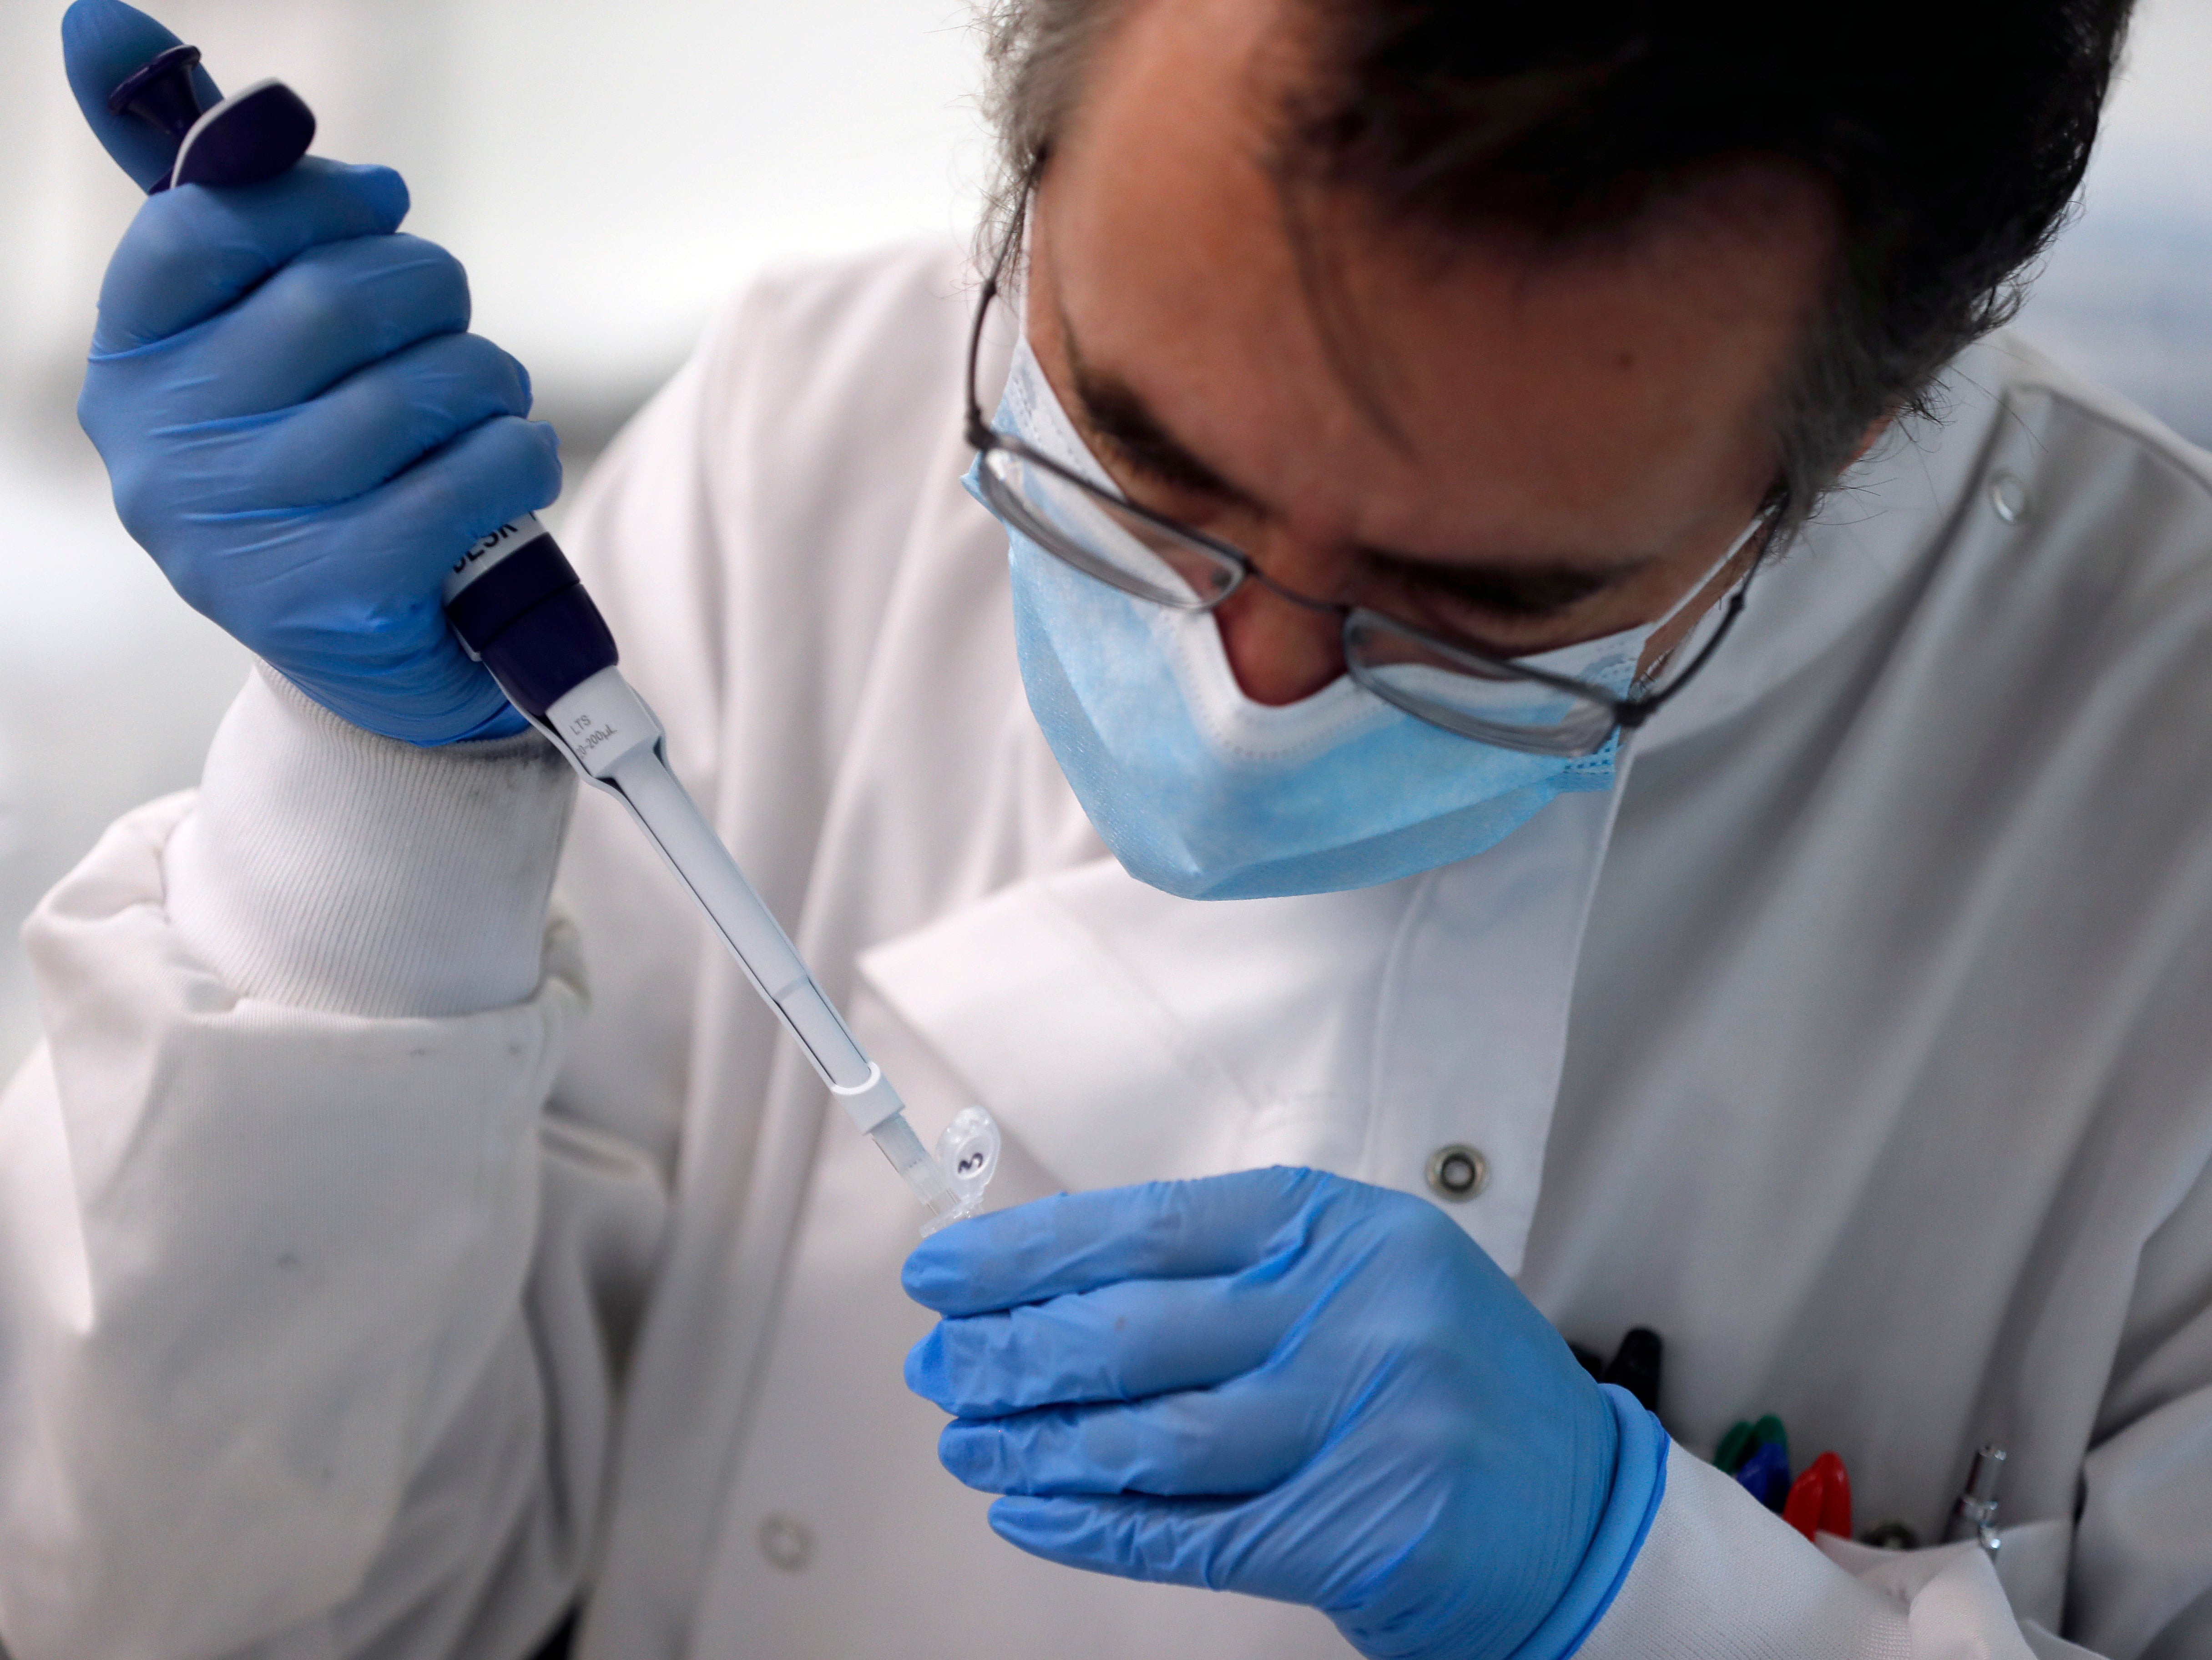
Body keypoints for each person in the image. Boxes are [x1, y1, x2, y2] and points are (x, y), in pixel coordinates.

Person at [2, 0, 2203, 1655]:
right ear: (1023, 153)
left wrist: (1655, 1593)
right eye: (1140, 461)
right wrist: (370, 830)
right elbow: (229, 1607)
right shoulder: (806, 442)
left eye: (1485, 602)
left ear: (1874, 420)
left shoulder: (2151, 781)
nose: (1247, 691)